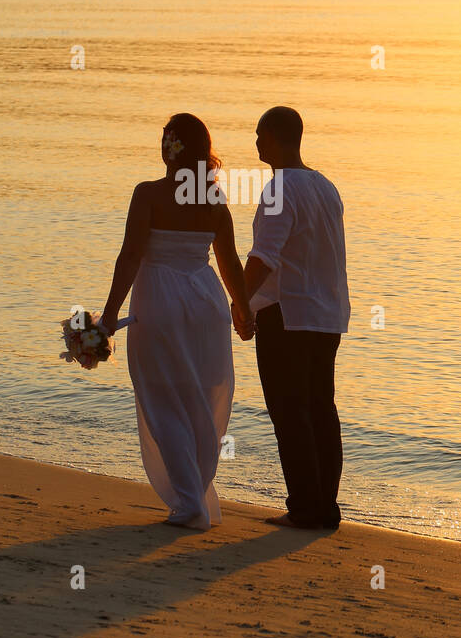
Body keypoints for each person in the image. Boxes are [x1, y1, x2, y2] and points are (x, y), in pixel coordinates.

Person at [101, 114, 253, 530]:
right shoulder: (215, 201)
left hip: (162, 301)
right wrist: (242, 308)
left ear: (171, 147)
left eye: (164, 138)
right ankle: (194, 495)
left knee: (161, 397)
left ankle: (190, 504)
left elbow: (130, 255)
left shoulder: (148, 194)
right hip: (207, 303)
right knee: (199, 399)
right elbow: (230, 263)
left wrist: (111, 315)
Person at [235, 107, 350, 529]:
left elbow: (264, 258)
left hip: (289, 313)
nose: (256, 143)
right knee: (321, 407)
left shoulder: (279, 189)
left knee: (289, 411)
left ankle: (306, 504)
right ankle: (324, 504)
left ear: (278, 138)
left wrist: (239, 302)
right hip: (327, 313)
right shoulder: (325, 186)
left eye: (260, 135)